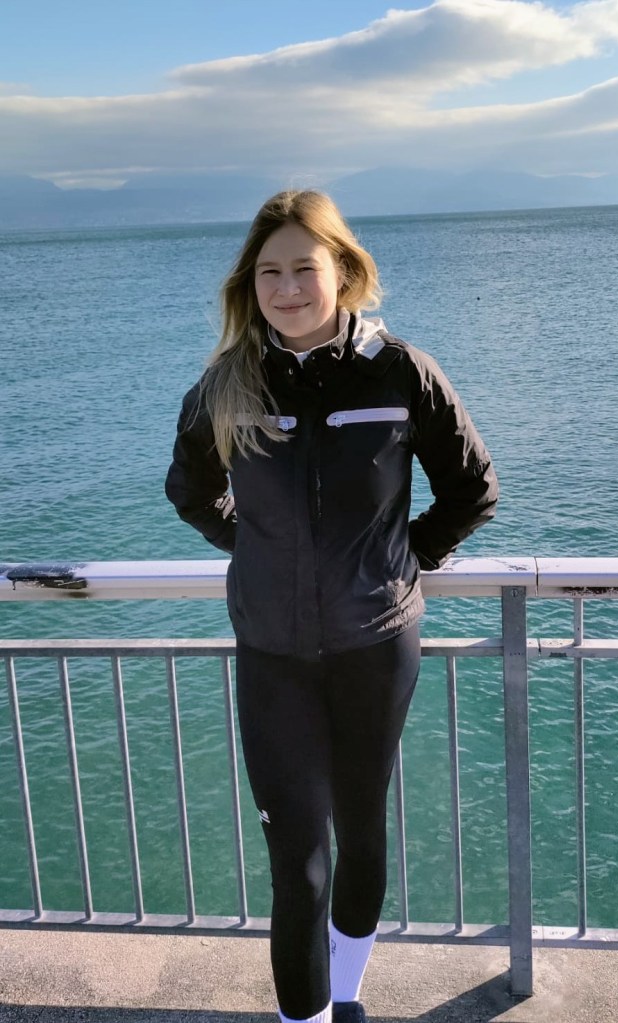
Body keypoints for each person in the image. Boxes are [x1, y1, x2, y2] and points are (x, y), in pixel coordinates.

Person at [164, 190, 498, 1023]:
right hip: (272, 654)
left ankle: (345, 993)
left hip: (375, 646)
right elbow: (191, 491)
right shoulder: (226, 385)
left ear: (342, 271)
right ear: (249, 285)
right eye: (268, 272)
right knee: (297, 863)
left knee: (361, 831)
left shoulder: (401, 372)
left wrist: (400, 559)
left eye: (303, 268)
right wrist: (260, 550)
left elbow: (471, 488)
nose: (286, 288)